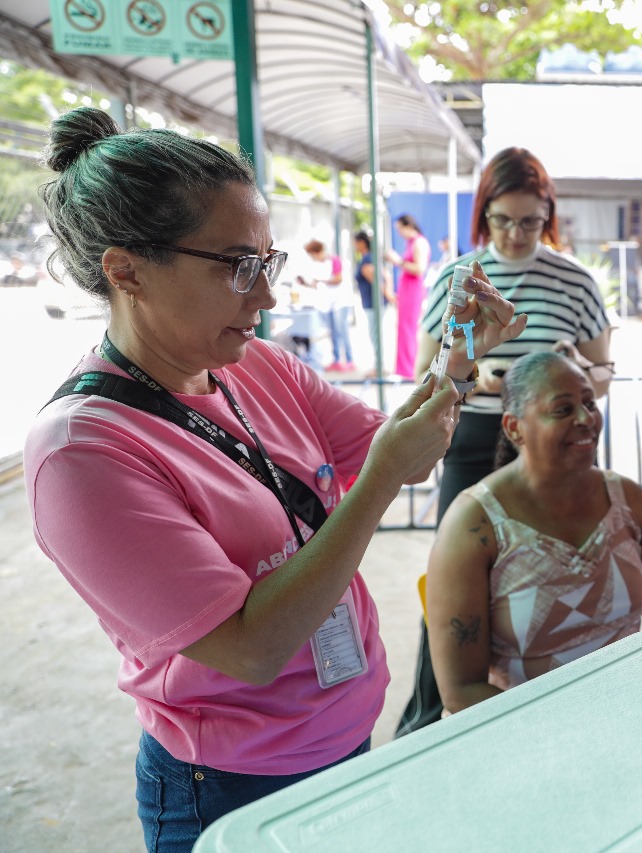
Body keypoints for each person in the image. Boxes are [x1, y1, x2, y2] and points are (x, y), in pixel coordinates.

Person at [25, 106, 526, 852]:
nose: (265, 298)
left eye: (268, 261)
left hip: (343, 734)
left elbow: (404, 450)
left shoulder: (250, 363)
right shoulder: (82, 451)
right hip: (229, 780)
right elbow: (252, 646)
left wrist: (454, 358)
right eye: (237, 266)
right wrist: (379, 481)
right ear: (126, 270)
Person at [397, 146, 612, 735]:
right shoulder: (459, 279)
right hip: (473, 437)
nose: (516, 234)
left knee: (549, 578)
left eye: (530, 222)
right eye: (502, 220)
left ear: (549, 218)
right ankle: (427, 722)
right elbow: (425, 374)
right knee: (456, 581)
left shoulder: (574, 282)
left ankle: (556, 717)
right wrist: (473, 374)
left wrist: (573, 371)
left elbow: (602, 374)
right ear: (482, 216)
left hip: (553, 445)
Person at [427, 352, 642, 713]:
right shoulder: (476, 523)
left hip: (634, 710)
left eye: (589, 403)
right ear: (514, 427)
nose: (586, 419)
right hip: (525, 729)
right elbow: (461, 692)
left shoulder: (626, 499)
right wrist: (574, 726)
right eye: (563, 410)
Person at [385, 213, 431, 379]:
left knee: (408, 328)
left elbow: (420, 268)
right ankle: (404, 368)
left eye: (400, 228)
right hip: (407, 288)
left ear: (408, 226)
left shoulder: (419, 243)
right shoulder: (412, 243)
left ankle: (408, 369)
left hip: (413, 289)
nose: (399, 232)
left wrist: (398, 261)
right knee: (404, 327)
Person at [300, 238, 355, 372]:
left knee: (342, 331)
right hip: (328, 303)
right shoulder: (318, 265)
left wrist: (321, 280)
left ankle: (349, 360)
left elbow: (338, 279)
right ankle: (336, 359)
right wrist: (306, 284)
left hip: (340, 302)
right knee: (333, 333)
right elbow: (318, 285)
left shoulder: (334, 260)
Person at [353, 230, 395, 369]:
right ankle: (379, 365)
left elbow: (376, 280)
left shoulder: (367, 259)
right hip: (373, 302)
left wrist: (387, 294)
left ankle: (379, 367)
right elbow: (386, 276)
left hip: (373, 302)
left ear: (361, 242)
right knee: (376, 333)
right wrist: (388, 293)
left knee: (375, 334)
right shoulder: (370, 257)